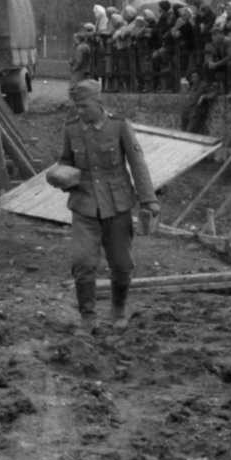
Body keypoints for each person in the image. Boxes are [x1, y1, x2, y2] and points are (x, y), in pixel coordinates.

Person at [53, 80, 158, 333]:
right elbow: (65, 160)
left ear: (98, 102)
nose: (79, 111)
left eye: (84, 106)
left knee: (122, 265)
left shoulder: (119, 126)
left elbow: (137, 163)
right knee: (83, 262)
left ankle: (119, 309)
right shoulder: (71, 129)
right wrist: (61, 177)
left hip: (117, 205)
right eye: (76, 106)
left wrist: (148, 199)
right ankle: (88, 317)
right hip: (84, 205)